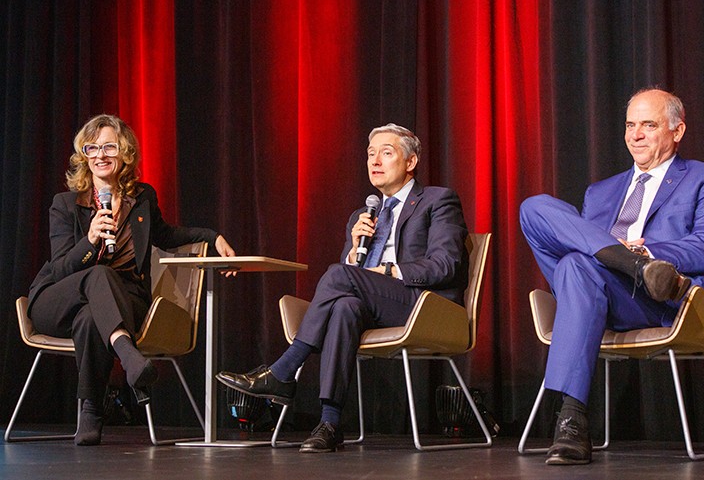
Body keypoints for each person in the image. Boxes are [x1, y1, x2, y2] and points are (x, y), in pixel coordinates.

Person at [216, 123, 468, 453]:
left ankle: (284, 370)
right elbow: (347, 286)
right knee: (343, 307)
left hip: (423, 305)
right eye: (370, 154)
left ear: (410, 162)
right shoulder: (362, 216)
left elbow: (446, 263)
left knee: (338, 276)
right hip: (374, 305)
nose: (375, 161)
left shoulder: (437, 200)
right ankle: (330, 422)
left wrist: (388, 269)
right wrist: (353, 251)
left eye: (386, 153)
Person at [519, 88, 704, 465]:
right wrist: (628, 259)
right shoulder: (600, 192)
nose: (635, 135)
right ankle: (629, 263)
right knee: (534, 207)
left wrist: (650, 251)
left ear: (677, 130)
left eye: (649, 125)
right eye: (630, 125)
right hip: (601, 291)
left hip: (659, 298)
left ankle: (571, 419)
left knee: (575, 265)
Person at [27, 114, 236, 446]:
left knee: (91, 317)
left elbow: (167, 235)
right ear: (83, 154)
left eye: (109, 146)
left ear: (124, 151)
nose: (100, 154)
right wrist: (90, 240)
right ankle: (127, 355)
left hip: (124, 301)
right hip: (57, 299)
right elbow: (62, 267)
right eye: (91, 147)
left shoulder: (142, 198)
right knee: (96, 274)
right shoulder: (65, 205)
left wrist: (212, 237)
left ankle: (91, 410)